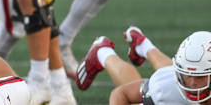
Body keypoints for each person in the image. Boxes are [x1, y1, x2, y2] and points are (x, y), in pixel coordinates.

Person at [76, 27, 211, 105]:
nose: (192, 83)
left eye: (201, 77)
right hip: (168, 89)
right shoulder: (168, 87)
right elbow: (121, 94)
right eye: (187, 75)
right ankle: (103, 52)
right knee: (162, 85)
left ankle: (142, 44)